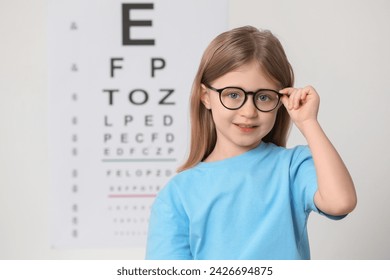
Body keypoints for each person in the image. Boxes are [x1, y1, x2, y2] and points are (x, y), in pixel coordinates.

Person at [145, 26, 357, 260]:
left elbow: (340, 202)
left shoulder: (292, 167)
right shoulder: (177, 195)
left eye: (264, 97)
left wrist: (308, 122)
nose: (249, 111)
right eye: (233, 94)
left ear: (280, 100)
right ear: (205, 97)